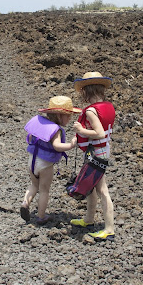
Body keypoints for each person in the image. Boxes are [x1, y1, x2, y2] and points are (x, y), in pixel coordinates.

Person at [70, 72, 116, 241]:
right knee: (91, 186)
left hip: (96, 152)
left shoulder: (91, 111)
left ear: (86, 91)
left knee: (102, 190)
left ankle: (109, 229)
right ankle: (89, 219)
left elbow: (99, 133)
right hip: (103, 149)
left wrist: (81, 130)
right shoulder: (108, 106)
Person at [21, 96, 80, 224]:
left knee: (34, 185)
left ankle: (25, 203)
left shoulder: (40, 123)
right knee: (44, 190)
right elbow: (57, 146)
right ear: (59, 116)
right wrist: (71, 145)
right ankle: (41, 216)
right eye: (68, 116)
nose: (70, 119)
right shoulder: (56, 130)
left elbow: (30, 138)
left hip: (32, 160)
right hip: (45, 165)